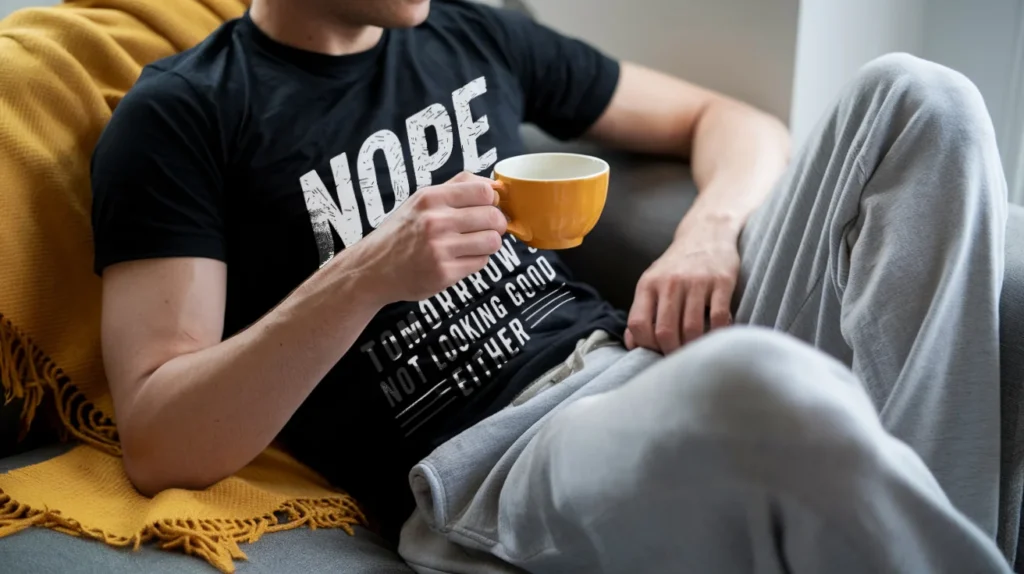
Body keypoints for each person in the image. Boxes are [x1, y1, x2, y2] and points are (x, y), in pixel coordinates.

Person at [89, 0, 1011, 571]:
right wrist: (366, 273)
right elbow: (163, 437)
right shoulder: (183, 113)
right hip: (504, 458)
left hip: (637, 357)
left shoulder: (470, 30)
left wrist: (708, 234)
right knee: (767, 380)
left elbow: (724, 118)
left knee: (921, 98)